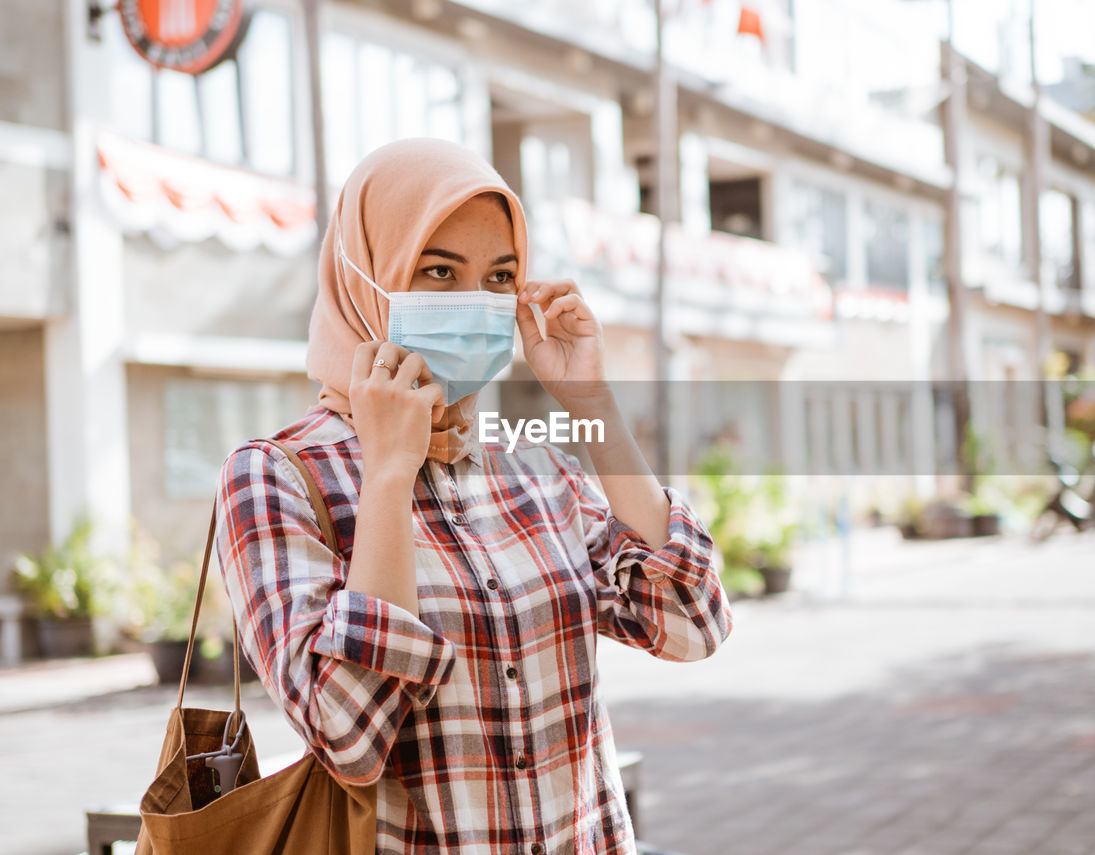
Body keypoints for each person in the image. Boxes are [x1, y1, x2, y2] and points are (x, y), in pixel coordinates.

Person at [214, 139, 733, 855]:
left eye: (499, 277)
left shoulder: (533, 466)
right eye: (438, 271)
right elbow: (346, 732)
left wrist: (594, 405)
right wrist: (389, 476)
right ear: (365, 276)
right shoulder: (275, 477)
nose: (475, 303)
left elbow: (692, 621)